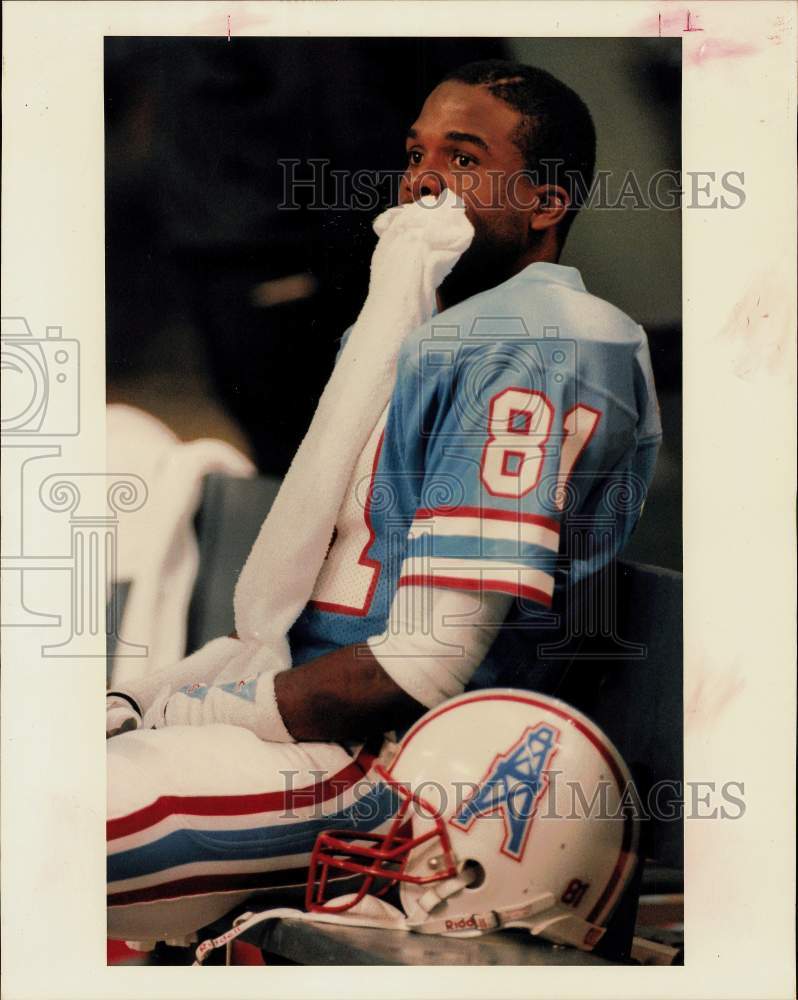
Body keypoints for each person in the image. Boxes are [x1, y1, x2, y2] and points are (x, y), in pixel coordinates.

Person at [106, 60, 661, 945]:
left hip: (400, 769)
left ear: (548, 202)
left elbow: (426, 665)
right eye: (415, 152)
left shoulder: (545, 338)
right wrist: (170, 694)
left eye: (464, 157)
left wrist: (202, 707)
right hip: (299, 725)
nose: (424, 178)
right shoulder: (416, 325)